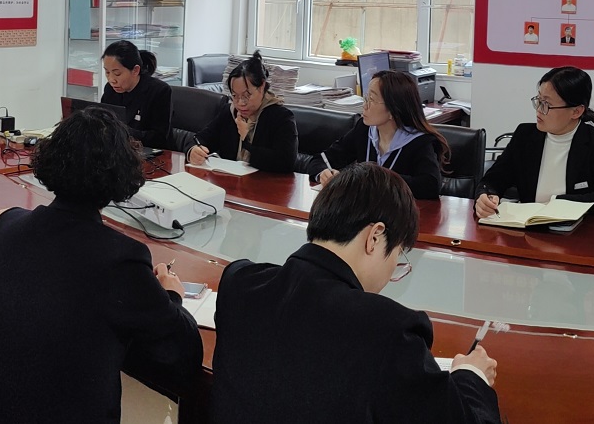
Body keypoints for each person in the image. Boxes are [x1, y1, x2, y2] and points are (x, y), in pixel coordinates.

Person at [210, 163, 501, 424]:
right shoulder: (388, 330)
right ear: (375, 236)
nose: (392, 271)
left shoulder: (239, 282)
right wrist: (471, 376)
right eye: (397, 254)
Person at [0, 108, 204, 424]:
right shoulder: (121, 258)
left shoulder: (9, 227)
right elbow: (180, 353)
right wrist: (172, 295)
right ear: (120, 172)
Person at [477, 66, 594, 218]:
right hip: (527, 226)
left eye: (547, 104)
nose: (539, 110)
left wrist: (555, 203)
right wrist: (485, 196)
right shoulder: (525, 136)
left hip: (574, 229)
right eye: (539, 100)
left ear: (576, 111)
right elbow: (493, 180)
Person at [305, 70, 448, 200]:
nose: (365, 105)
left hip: (400, 215)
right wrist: (323, 173)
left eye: (372, 100)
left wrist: (374, 180)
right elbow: (319, 160)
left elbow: (430, 186)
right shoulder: (364, 129)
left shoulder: (419, 142)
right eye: (366, 98)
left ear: (393, 110)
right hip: (364, 212)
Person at [188, 52, 298, 173]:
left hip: (264, 183)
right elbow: (200, 138)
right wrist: (193, 150)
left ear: (261, 86)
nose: (240, 103)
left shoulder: (281, 117)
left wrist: (247, 137)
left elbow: (285, 163)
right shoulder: (229, 112)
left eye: (247, 95)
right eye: (235, 96)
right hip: (230, 181)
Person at [99, 40, 172, 150]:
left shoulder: (159, 91)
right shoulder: (110, 89)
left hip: (149, 152)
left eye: (117, 73)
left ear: (135, 70)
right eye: (107, 72)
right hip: (118, 150)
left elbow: (159, 138)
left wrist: (120, 131)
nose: (111, 80)